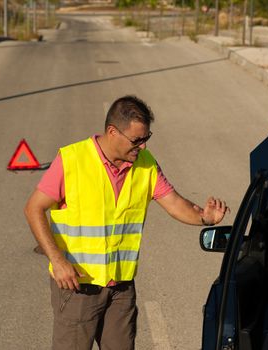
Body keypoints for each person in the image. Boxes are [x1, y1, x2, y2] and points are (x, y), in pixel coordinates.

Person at [24, 95, 228, 350]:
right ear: (112, 132)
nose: (142, 146)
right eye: (137, 140)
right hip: (78, 287)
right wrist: (57, 261)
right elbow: (34, 208)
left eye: (146, 138)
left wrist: (204, 218)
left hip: (120, 289)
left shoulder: (146, 164)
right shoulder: (72, 159)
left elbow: (174, 203)